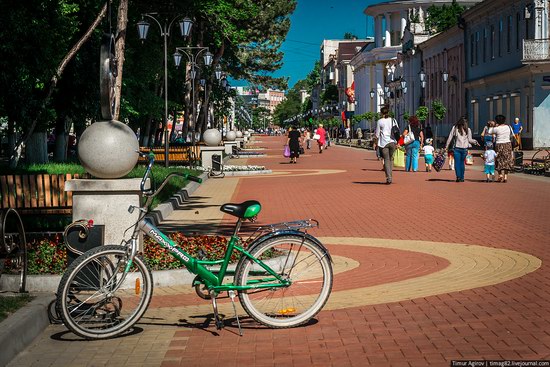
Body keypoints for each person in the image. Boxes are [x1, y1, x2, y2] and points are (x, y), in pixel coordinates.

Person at [445, 116, 480, 182]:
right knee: (462, 163)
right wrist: (475, 142)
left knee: (457, 163)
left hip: (456, 149)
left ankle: (458, 176)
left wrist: (446, 146)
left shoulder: (455, 128)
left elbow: (450, 138)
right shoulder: (468, 129)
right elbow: (470, 140)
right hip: (464, 149)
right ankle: (462, 177)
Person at [374, 106, 397, 184]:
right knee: (391, 159)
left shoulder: (380, 121)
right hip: (392, 142)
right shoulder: (393, 120)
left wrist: (375, 142)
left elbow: (377, 134)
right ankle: (390, 175)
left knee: (386, 159)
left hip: (384, 143)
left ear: (381, 113)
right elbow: (397, 130)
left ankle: (389, 177)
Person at [488, 114, 514, 183]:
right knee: (507, 159)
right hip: (508, 144)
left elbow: (489, 132)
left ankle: (500, 175)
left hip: (499, 144)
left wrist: (492, 125)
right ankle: (505, 177)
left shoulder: (496, 128)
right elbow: (512, 135)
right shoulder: (508, 127)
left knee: (498, 159)